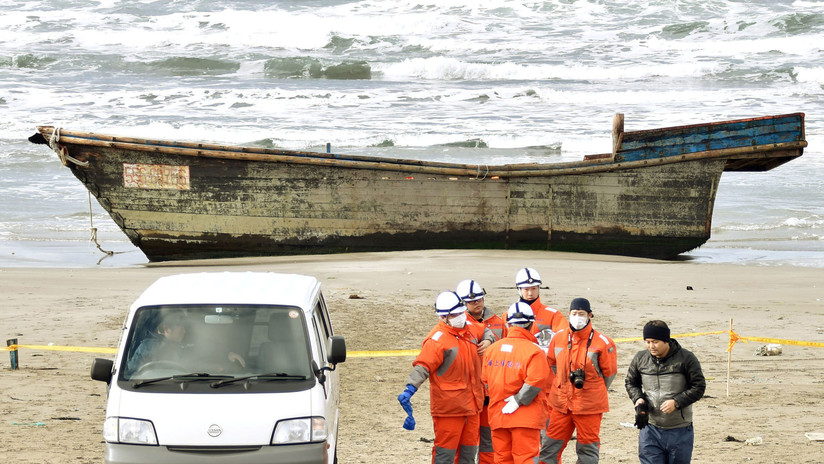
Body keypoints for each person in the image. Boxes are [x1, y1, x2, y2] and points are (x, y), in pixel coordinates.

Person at [398, 291, 486, 464]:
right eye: (455, 314)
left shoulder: (470, 328)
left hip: (472, 407)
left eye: (461, 312)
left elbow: (487, 331)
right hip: (449, 411)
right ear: (444, 317)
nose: (460, 317)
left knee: (468, 455)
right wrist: (409, 388)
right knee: (445, 455)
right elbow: (423, 366)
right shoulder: (437, 340)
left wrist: (488, 341)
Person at [542, 298, 617, 464]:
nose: (577, 317)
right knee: (549, 449)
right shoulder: (558, 338)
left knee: (587, 451)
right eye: (574, 314)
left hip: (589, 407)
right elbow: (552, 364)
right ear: (569, 314)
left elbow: (609, 374)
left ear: (590, 315)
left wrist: (593, 391)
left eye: (581, 314)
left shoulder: (603, 342)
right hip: (561, 404)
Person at [625, 320, 706, 464]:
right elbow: (631, 382)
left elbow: (699, 386)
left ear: (666, 340)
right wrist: (638, 399)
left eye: (655, 342)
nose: (651, 346)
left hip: (679, 429)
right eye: (647, 342)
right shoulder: (640, 358)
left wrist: (677, 402)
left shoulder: (686, 359)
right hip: (649, 428)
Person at [481, 302, 550, 464]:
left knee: (502, 459)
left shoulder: (492, 350)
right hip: (526, 417)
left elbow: (485, 381)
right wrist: (518, 400)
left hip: (498, 415)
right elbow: (537, 380)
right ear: (531, 324)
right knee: (525, 458)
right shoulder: (535, 351)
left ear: (508, 324)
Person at [456, 279, 507, 464]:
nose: (477, 303)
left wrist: (491, 341)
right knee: (466, 441)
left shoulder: (498, 322)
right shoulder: (459, 324)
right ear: (462, 303)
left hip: (490, 392)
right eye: (471, 301)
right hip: (467, 393)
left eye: (479, 299)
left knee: (489, 441)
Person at [127, 313, 245, 374]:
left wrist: (227, 354)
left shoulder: (184, 343)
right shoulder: (147, 347)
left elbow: (204, 350)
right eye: (180, 328)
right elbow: (132, 372)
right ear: (167, 329)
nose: (184, 331)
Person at [514, 267, 567, 346]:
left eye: (534, 288)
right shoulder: (509, 314)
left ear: (539, 288)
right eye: (526, 289)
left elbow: (564, 339)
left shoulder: (554, 315)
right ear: (519, 289)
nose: (530, 293)